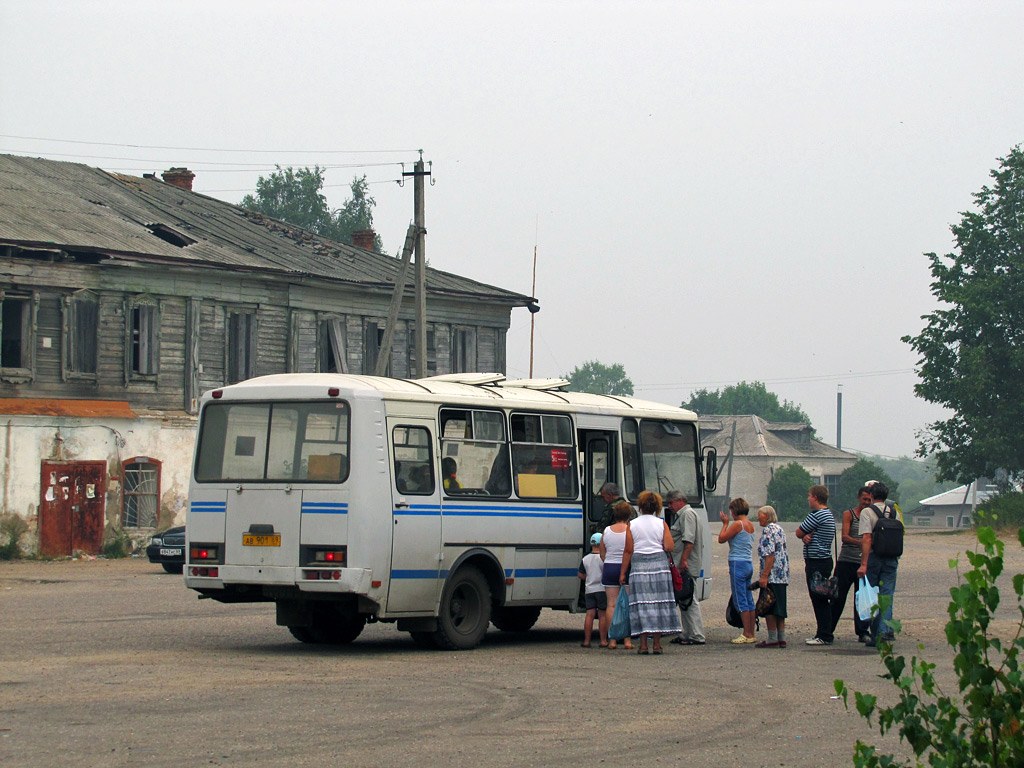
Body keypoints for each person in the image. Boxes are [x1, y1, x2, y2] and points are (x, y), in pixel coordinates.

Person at [620, 490, 680, 654]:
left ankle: (643, 644)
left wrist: (622, 573)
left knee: (642, 604)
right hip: (659, 566)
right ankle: (657, 644)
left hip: (639, 566)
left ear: (640, 506)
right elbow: (669, 547)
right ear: (657, 507)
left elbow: (628, 550)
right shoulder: (661, 524)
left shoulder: (632, 524)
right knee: (659, 603)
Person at [857, 481, 900, 647]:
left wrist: (863, 564)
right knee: (887, 596)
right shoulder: (893, 511)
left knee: (872, 596)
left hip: (874, 557)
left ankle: (876, 634)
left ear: (872, 496)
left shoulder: (868, 512)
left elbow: (867, 538)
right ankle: (885, 631)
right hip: (891, 557)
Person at [796, 484, 837, 646]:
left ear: (816, 498)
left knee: (818, 598)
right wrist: (807, 536)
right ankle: (824, 632)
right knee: (821, 597)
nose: (808, 499)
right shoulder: (828, 515)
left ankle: (824, 634)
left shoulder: (817, 515)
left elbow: (799, 532)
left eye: (810, 496)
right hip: (825, 559)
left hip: (816, 561)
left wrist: (804, 535)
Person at [830, 486, 872, 642]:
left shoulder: (872, 516)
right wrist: (861, 543)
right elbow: (844, 537)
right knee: (837, 597)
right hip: (846, 561)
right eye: (864, 499)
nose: (866, 502)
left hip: (863, 562)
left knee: (861, 599)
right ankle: (829, 629)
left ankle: (862, 631)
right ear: (859, 498)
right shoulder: (850, 514)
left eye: (869, 500)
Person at [665, 490, 706, 646]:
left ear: (680, 500)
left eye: (671, 503)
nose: (669, 507)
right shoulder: (683, 515)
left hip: (686, 565)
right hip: (682, 564)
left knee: (690, 599)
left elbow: (689, 541)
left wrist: (683, 561)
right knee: (684, 599)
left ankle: (697, 634)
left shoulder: (687, 514)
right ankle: (687, 633)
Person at [719, 497, 757, 644]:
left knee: (740, 598)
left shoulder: (738, 524)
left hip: (737, 563)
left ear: (734, 511)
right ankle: (751, 632)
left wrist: (725, 524)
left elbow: (722, 538)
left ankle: (746, 633)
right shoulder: (750, 524)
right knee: (748, 598)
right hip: (748, 562)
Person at [599, 501, 634, 650]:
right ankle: (627, 640)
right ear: (628, 515)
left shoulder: (606, 530)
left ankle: (611, 640)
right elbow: (632, 550)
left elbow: (602, 553)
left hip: (609, 567)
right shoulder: (630, 530)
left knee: (611, 604)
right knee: (626, 604)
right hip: (625, 568)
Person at [755, 505, 790, 648]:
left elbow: (769, 554)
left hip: (772, 575)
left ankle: (772, 638)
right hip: (782, 574)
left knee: (769, 605)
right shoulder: (779, 529)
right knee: (780, 607)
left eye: (760, 515)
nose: (757, 518)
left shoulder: (768, 531)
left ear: (767, 516)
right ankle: (781, 637)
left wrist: (764, 576)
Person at [578, 532, 608, 648]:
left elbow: (580, 575)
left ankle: (586, 641)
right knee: (602, 615)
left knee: (589, 614)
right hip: (601, 589)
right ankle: (603, 641)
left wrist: (588, 578)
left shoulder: (585, 559)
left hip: (589, 590)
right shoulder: (603, 559)